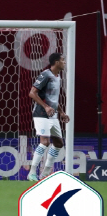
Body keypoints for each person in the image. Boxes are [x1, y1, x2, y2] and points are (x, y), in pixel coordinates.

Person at [27, 53, 70, 181]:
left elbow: (53, 100)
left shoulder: (58, 77)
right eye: (62, 60)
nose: (64, 62)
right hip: (41, 114)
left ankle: (45, 174)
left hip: (53, 114)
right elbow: (32, 93)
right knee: (45, 142)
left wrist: (61, 112)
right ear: (56, 62)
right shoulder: (45, 74)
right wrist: (45, 107)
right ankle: (32, 172)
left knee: (58, 143)